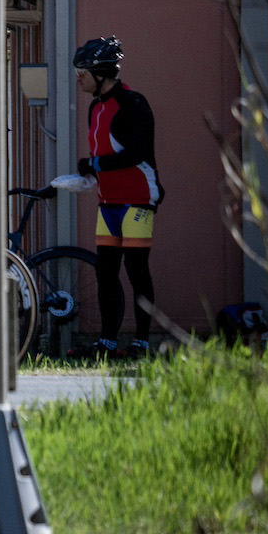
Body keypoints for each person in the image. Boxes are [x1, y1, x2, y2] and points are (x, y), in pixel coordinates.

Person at [74, 36, 160, 357]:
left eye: (82, 72)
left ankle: (141, 342)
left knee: (137, 270)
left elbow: (137, 153)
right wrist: (88, 174)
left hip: (138, 198)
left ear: (101, 74)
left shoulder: (133, 104)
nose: (78, 78)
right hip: (108, 201)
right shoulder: (95, 106)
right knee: (106, 271)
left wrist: (94, 164)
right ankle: (107, 341)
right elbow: (104, 152)